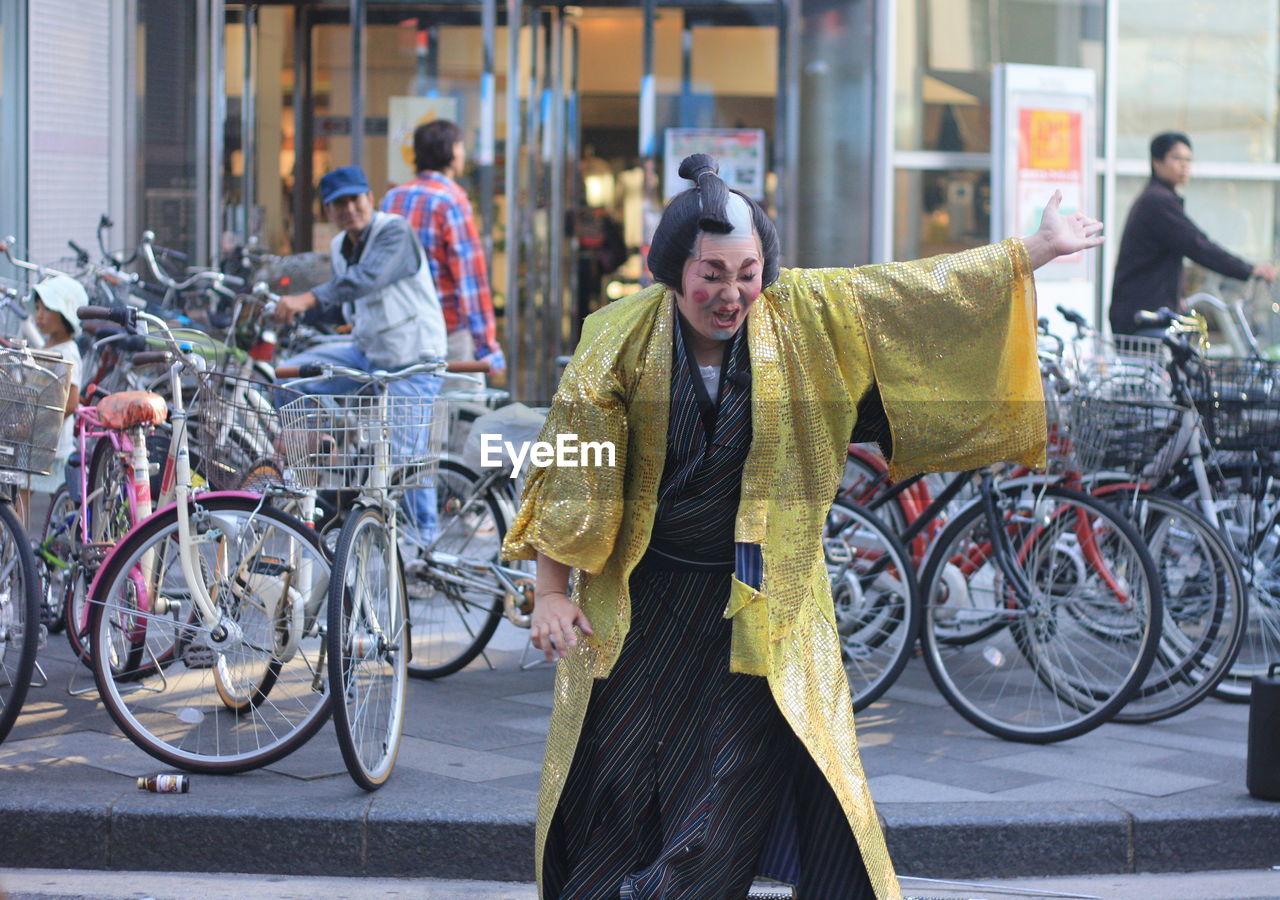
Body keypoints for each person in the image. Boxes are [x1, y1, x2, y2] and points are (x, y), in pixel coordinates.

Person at [501, 153, 1103, 899]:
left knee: (732, 781)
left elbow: (916, 291)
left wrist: (1035, 251)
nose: (731, 294)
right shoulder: (616, 341)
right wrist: (552, 591)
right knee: (622, 779)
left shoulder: (808, 314)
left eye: (747, 272)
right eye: (711, 274)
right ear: (669, 268)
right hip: (644, 603)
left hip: (764, 598)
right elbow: (571, 465)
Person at [273, 165, 448, 540]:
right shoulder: (339, 246)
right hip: (367, 352)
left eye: (355, 199)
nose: (349, 209)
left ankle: (425, 545)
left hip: (412, 359)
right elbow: (349, 300)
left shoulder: (394, 231)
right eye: (338, 204)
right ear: (328, 211)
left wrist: (307, 297)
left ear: (370, 199)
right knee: (290, 375)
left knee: (406, 460)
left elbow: (367, 278)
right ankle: (329, 446)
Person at [1110, 131, 1277, 335]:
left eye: (1188, 160)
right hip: (1143, 318)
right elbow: (1197, 245)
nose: (1184, 165)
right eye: (1176, 158)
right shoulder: (1157, 201)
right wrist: (1250, 270)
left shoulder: (1159, 198)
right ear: (1157, 162)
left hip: (1146, 313)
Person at [381, 119, 504, 390]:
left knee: (413, 422)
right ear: (451, 150)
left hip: (400, 331)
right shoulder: (450, 200)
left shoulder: (392, 199)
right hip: (447, 332)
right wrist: (487, 347)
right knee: (464, 420)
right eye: (461, 146)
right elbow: (470, 280)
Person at [21, 275, 84, 524]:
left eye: (47, 309)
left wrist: (39, 422)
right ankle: (22, 545)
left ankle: (22, 547)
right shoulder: (47, 347)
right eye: (37, 308)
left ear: (65, 313)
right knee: (26, 487)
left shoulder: (68, 352)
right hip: (41, 440)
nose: (39, 315)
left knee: (43, 494)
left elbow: (71, 402)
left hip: (54, 443)